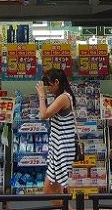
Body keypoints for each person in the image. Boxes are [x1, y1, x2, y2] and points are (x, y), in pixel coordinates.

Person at [36, 68, 77, 198]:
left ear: (57, 82)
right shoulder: (61, 97)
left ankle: (65, 206)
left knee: (49, 190)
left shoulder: (64, 98)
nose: (48, 89)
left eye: (49, 85)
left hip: (62, 148)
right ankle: (65, 206)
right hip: (59, 147)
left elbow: (43, 115)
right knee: (57, 190)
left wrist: (41, 96)